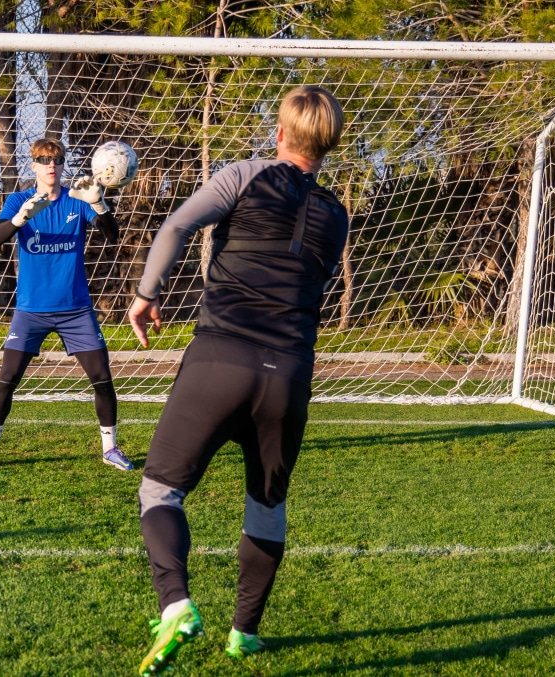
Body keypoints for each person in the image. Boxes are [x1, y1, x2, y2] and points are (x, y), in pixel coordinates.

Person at [128, 85, 348, 675]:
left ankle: (176, 604)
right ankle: (244, 635)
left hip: (221, 358)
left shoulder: (246, 174)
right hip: (290, 377)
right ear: (328, 144)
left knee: (160, 490)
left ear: (280, 132)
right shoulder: (337, 214)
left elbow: (174, 228)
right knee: (267, 506)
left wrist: (147, 295)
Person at [0, 137, 133, 471]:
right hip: (31, 311)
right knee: (7, 378)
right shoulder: (18, 200)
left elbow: (113, 235)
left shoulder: (78, 198)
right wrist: (19, 220)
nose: (50, 165)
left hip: (76, 309)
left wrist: (99, 205)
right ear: (34, 165)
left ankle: (110, 448)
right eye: (43, 160)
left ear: (62, 164)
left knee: (102, 378)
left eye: (56, 160)